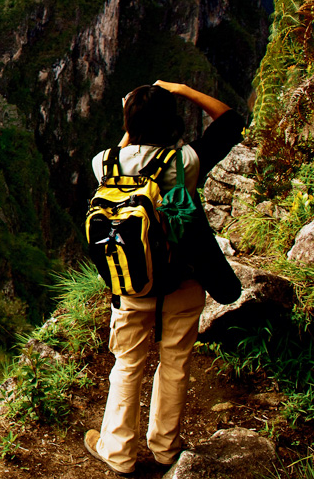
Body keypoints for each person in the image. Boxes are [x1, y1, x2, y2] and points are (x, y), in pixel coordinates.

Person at [84, 80, 245, 475]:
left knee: (127, 364)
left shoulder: (103, 162)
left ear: (129, 122)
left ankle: (118, 452)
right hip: (183, 280)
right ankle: (165, 447)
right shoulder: (185, 162)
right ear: (172, 123)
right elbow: (229, 122)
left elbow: (123, 154)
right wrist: (184, 89)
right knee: (175, 361)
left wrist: (131, 119)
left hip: (131, 282)